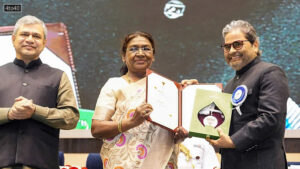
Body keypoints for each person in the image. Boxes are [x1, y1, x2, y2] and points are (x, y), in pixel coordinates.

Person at [91, 31, 188, 169]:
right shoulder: (114, 85)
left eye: (146, 48)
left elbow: (172, 135)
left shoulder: (168, 88)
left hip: (163, 164)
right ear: (124, 56)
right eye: (134, 49)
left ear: (153, 56)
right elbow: (97, 129)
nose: (141, 53)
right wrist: (131, 122)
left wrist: (190, 93)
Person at [207, 20, 289, 169]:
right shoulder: (230, 84)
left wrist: (234, 141)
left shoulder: (270, 72)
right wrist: (189, 91)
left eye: (237, 44)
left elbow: (271, 117)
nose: (231, 51)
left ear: (255, 45)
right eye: (226, 47)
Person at [0, 15, 79, 169]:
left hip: (42, 164)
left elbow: (71, 118)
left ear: (44, 43)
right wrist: (10, 113)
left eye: (36, 36)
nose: (30, 39)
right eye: (24, 34)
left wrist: (35, 111)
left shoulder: (58, 76)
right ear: (13, 39)